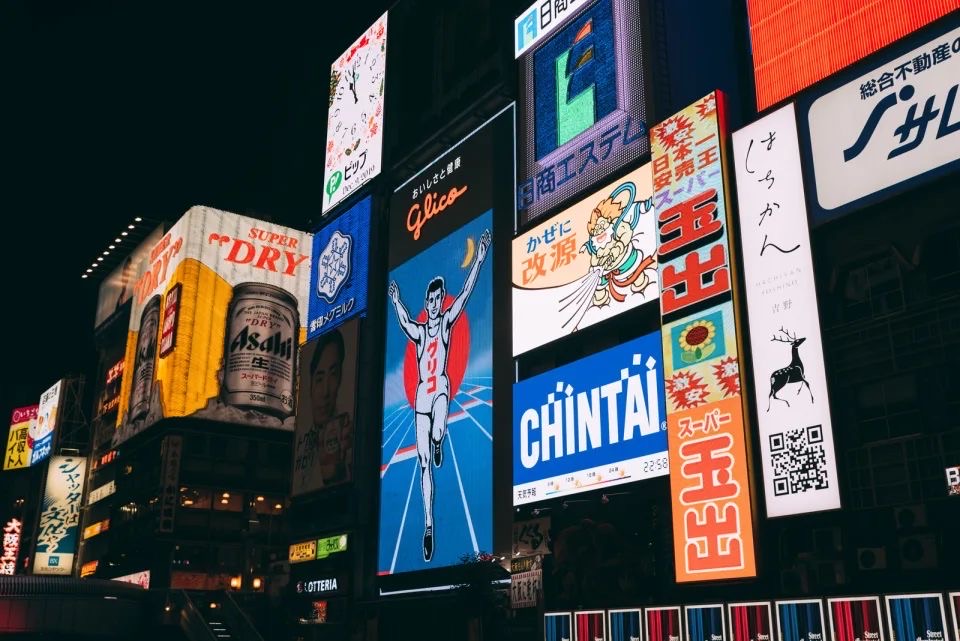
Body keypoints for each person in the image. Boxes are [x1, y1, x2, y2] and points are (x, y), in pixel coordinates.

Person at [387, 229, 490, 562]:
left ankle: (438, 439)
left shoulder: (445, 323)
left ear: (440, 299)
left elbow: (466, 294)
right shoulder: (419, 332)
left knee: (437, 430)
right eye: (430, 300)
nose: (434, 304)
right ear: (426, 302)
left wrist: (479, 259)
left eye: (438, 298)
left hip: (441, 387)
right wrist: (395, 300)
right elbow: (403, 320)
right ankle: (429, 525)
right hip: (421, 396)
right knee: (423, 465)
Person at [305, 329, 351, 488]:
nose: (325, 391)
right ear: (309, 384)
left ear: (340, 379)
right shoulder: (302, 445)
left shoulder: (347, 433)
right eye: (319, 378)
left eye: (333, 375)